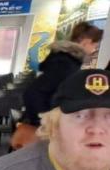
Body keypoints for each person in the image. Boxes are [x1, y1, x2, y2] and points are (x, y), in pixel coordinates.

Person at [12, 22, 104, 150]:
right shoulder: (65, 63)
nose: (94, 49)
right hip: (43, 131)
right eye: (95, 45)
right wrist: (45, 123)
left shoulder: (66, 60)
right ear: (86, 42)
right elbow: (33, 93)